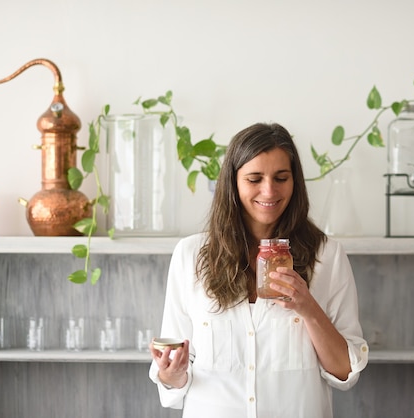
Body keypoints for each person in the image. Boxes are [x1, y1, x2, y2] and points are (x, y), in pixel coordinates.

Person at [149, 122, 368, 417]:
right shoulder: (191, 256)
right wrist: (170, 375)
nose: (269, 190)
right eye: (254, 179)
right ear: (233, 182)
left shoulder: (326, 256)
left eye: (281, 177)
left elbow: (345, 373)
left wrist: (308, 307)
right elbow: (174, 368)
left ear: (295, 182)